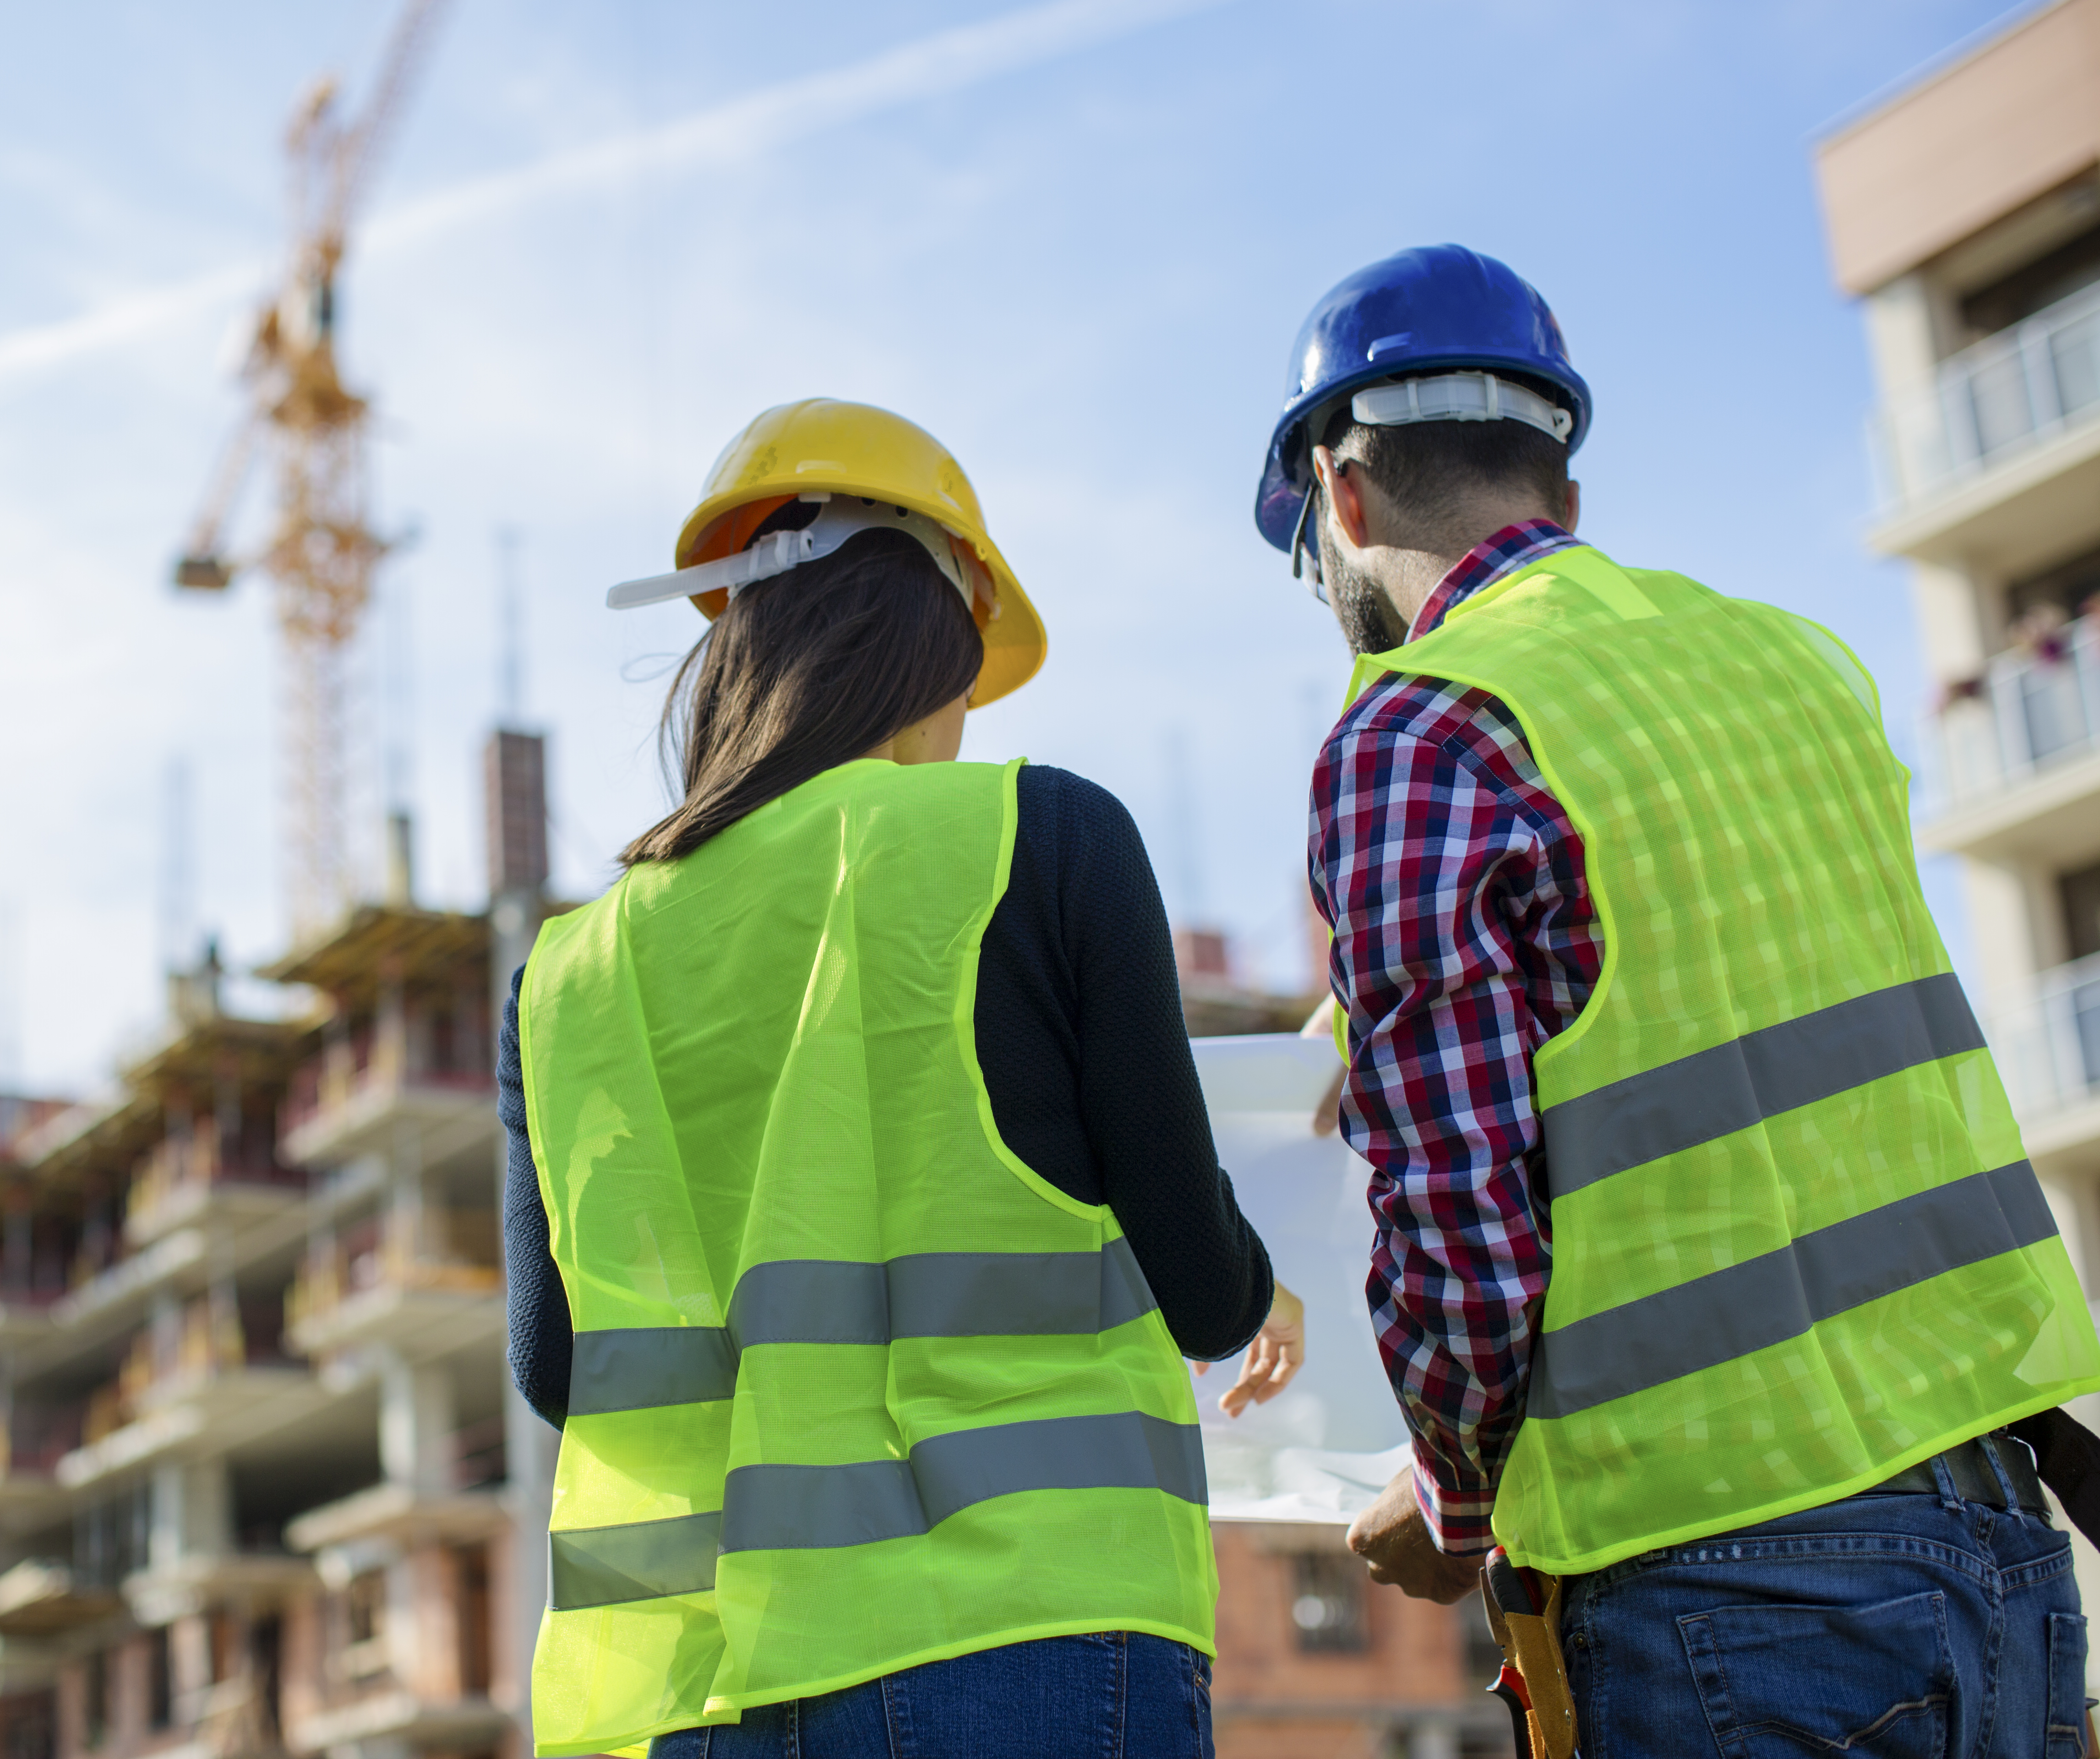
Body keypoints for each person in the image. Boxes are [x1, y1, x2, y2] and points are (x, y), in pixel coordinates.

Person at [1260, 243, 2100, 1757]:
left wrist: (1452, 1496)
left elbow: (1459, 1214)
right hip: (2002, 1529)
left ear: (1341, 496)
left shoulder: (1418, 727)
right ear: (1563, 491)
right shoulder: (1798, 663)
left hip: (1728, 1568)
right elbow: (1718, 997)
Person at [500, 397, 1298, 1758]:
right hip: (1020, 1635)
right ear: (938, 640)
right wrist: (1260, 1285)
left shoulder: (568, 975)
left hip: (698, 1684)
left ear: (741, 647)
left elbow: (556, 1364)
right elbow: (1194, 1270)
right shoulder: (1038, 839)